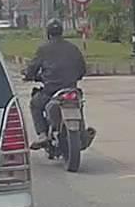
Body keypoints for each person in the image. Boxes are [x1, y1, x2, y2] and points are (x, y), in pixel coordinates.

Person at [22, 19, 87, 150]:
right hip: (71, 89)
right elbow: (82, 69)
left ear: (48, 33)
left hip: (51, 91)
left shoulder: (43, 49)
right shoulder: (73, 48)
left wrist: (28, 75)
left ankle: (42, 135)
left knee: (35, 104)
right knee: (79, 104)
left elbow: (32, 68)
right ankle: (82, 133)